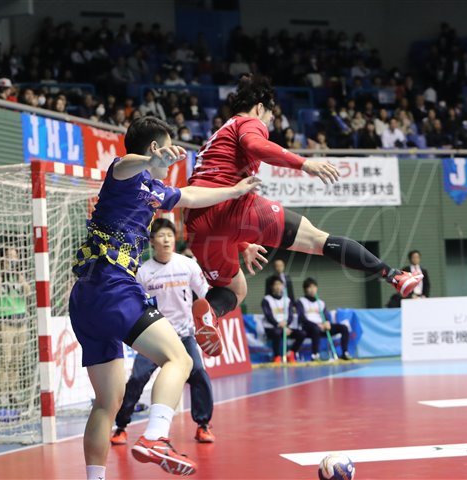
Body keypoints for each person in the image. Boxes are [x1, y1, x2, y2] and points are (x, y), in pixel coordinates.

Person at [69, 116, 261, 479]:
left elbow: (191, 195)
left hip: (85, 300)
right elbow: (123, 165)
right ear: (156, 148)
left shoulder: (154, 190)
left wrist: (234, 191)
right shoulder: (125, 175)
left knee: (107, 403)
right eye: (168, 150)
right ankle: (155, 436)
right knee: (180, 359)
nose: (172, 160)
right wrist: (148, 160)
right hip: (112, 286)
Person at [184, 75, 423, 355]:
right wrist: (304, 163)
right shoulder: (249, 122)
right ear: (260, 108)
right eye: (270, 118)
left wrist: (243, 243)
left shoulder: (216, 136)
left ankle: (210, 313)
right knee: (318, 240)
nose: (268, 124)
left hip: (198, 224)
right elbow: (255, 145)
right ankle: (393, 275)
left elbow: (212, 199)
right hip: (234, 205)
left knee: (236, 289)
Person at [111, 219, 216, 446]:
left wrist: (208, 323)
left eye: (169, 235)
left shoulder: (188, 265)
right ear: (152, 241)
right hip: (154, 336)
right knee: (137, 378)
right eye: (161, 236)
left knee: (198, 373)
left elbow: (206, 296)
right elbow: (135, 304)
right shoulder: (143, 272)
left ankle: (203, 425)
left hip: (184, 335)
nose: (166, 240)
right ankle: (121, 426)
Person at [0, 242, 31, 406]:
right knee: (5, 358)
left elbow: (28, 292)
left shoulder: (20, 276)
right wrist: (2, 275)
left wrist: (20, 277)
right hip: (5, 321)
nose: (12, 259)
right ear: (3, 259)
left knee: (17, 359)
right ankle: (2, 392)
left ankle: (13, 390)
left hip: (21, 320)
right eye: (9, 256)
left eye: (14, 256)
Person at [296, 278, 351, 361]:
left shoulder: (321, 302)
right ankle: (315, 355)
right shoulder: (301, 301)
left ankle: (345, 353)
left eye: (314, 287)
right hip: (309, 328)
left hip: (322, 327)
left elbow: (326, 316)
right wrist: (317, 325)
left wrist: (327, 322)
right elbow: (302, 318)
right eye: (310, 287)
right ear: (305, 289)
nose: (312, 289)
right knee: (315, 329)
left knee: (344, 328)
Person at [261, 277, 305, 363]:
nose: (278, 286)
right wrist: (279, 325)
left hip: (285, 327)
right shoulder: (266, 300)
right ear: (272, 286)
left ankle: (291, 353)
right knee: (277, 332)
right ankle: (276, 356)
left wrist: (286, 325)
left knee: (302, 334)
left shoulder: (287, 300)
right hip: (271, 328)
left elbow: (290, 316)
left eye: (280, 284)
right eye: (276, 284)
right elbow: (269, 316)